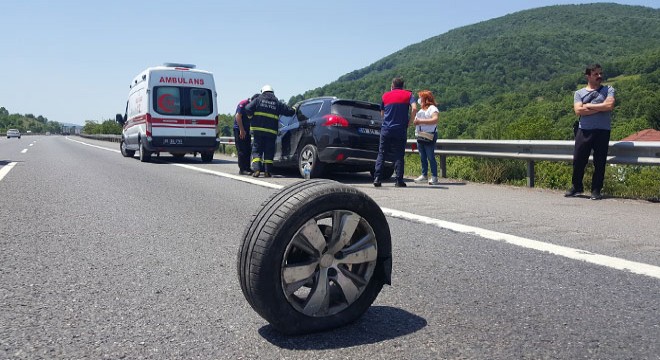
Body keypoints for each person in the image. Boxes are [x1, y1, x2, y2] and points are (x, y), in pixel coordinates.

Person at [565, 63, 616, 200]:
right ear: (588, 76)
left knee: (600, 162)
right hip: (584, 130)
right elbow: (578, 111)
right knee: (579, 160)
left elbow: (609, 105)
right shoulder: (579, 93)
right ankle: (577, 187)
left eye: (600, 73)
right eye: (596, 74)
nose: (600, 76)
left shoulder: (609, 89)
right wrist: (601, 107)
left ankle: (596, 190)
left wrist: (588, 106)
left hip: (603, 130)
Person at [373, 77, 418, 187]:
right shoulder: (408, 95)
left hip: (386, 129)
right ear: (403, 86)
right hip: (400, 129)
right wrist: (410, 122)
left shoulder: (385, 96)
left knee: (382, 153)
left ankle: (377, 178)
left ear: (392, 86)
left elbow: (382, 113)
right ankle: (399, 180)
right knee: (399, 154)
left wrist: (387, 120)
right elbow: (415, 108)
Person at [244, 85, 296, 178]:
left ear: (263, 91)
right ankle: (267, 172)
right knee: (269, 152)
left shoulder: (258, 99)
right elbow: (289, 111)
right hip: (271, 132)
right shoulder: (277, 102)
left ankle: (256, 170)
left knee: (257, 150)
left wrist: (251, 117)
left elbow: (248, 108)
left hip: (258, 131)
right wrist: (294, 109)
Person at [413, 90, 440, 185]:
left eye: (420, 97)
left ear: (425, 99)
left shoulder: (432, 108)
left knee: (430, 156)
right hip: (420, 135)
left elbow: (435, 119)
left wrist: (420, 121)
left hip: (429, 134)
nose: (419, 99)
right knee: (422, 157)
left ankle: (434, 177)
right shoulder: (421, 110)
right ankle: (424, 175)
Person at [234, 94, 259, 175]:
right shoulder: (244, 103)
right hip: (239, 129)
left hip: (247, 129)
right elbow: (238, 116)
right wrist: (241, 129)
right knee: (242, 150)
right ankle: (242, 169)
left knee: (248, 149)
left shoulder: (253, 107)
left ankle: (247, 168)